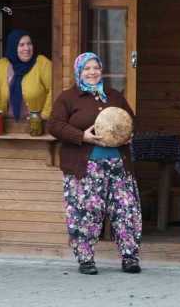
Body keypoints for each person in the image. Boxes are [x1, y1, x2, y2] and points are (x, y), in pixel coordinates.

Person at [47, 52, 142, 275]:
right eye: (87, 69)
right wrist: (82, 136)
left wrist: (128, 134)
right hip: (85, 167)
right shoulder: (68, 98)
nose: (92, 72)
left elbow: (130, 120)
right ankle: (85, 258)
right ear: (79, 72)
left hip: (118, 165)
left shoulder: (113, 95)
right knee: (85, 212)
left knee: (126, 210)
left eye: (96, 68)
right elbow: (54, 125)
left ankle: (130, 257)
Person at [0, 29, 52, 121]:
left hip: (35, 124)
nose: (27, 48)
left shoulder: (42, 63)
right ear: (13, 46)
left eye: (29, 44)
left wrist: (44, 116)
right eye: (21, 45)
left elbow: (53, 89)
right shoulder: (1, 65)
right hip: (7, 124)